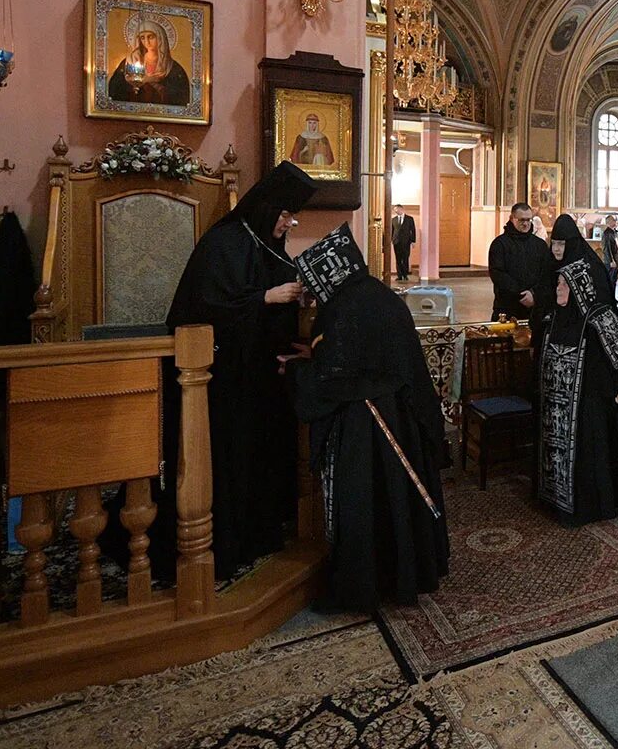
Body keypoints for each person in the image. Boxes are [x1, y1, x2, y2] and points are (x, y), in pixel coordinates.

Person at [159, 162, 315, 577]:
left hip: (258, 374)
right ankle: (225, 540)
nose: (289, 223)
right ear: (267, 210)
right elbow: (207, 305)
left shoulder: (266, 244)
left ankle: (260, 531)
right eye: (285, 215)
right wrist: (266, 296)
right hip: (219, 378)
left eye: (291, 216)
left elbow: (276, 302)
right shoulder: (224, 243)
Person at [285, 223, 449, 611]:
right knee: (401, 504)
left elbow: (332, 377)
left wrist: (293, 371)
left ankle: (366, 586)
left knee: (368, 504)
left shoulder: (343, 307)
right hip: (402, 416)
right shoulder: (378, 293)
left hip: (366, 426)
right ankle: (409, 573)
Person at [537, 257, 618, 523]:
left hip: (590, 405)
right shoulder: (553, 318)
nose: (557, 289)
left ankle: (588, 506)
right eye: (557, 284)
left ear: (578, 288)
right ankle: (556, 500)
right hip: (557, 406)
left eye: (563, 285)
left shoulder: (600, 319)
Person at [488, 203, 552, 340]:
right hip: (507, 307)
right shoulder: (500, 244)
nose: (526, 223)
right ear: (512, 218)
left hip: (534, 307)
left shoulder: (539, 245)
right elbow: (498, 274)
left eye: (528, 220)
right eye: (521, 220)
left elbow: (546, 274)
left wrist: (534, 294)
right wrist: (521, 294)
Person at [107, 14, 191, 106]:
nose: (146, 42)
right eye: (142, 38)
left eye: (151, 37)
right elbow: (115, 91)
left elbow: (181, 98)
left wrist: (160, 88)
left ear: (161, 38)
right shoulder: (129, 62)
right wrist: (145, 80)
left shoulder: (174, 68)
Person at [390, 203, 417, 282]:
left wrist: (413, 241)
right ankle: (399, 275)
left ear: (401, 209)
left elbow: (413, 230)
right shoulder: (393, 219)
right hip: (396, 242)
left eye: (396, 209)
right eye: (394, 210)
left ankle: (405, 275)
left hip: (406, 242)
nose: (395, 211)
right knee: (398, 259)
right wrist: (392, 239)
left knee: (405, 258)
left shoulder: (409, 219)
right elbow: (392, 230)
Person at [600, 214, 618, 291]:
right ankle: (609, 299)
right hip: (610, 261)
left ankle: (613, 298)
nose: (615, 222)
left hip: (616, 259)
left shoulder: (614, 232)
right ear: (608, 222)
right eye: (613, 220)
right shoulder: (607, 233)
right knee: (610, 280)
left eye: (615, 220)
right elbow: (606, 248)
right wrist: (611, 260)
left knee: (614, 281)